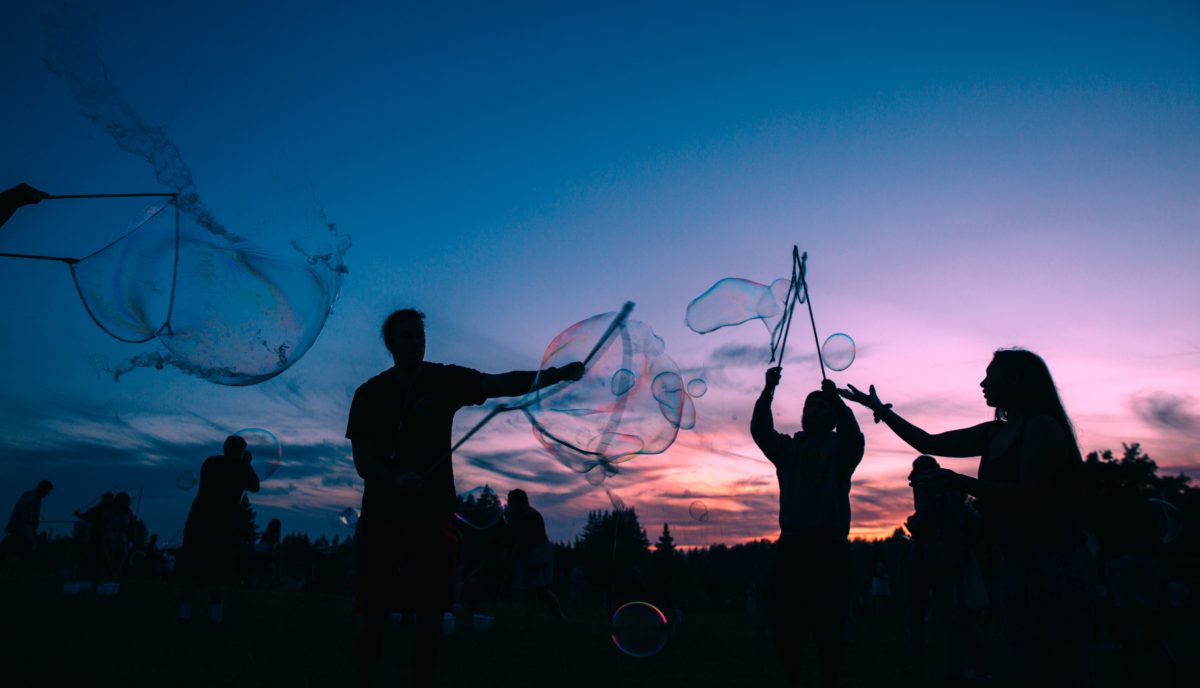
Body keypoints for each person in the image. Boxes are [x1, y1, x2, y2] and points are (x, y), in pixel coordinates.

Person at [346, 308, 582, 688]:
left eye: (419, 335)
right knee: (374, 616)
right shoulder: (369, 394)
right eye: (405, 336)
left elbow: (500, 383)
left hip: (434, 518)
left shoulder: (443, 380)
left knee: (430, 618)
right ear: (389, 343)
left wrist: (554, 376)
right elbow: (364, 463)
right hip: (383, 517)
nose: (415, 342)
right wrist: (395, 479)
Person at [841, 348, 1094, 687]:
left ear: (1015, 380)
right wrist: (879, 410)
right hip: (1016, 559)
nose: (983, 383)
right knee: (1028, 660)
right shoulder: (993, 433)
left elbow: (1031, 494)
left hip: (1054, 560)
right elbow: (927, 442)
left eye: (991, 375)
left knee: (1060, 662)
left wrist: (959, 482)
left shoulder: (1042, 428)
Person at [751, 368, 864, 688]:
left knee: (831, 631)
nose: (814, 410)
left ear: (832, 416)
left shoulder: (842, 451)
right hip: (794, 546)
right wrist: (768, 390)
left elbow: (854, 438)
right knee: (787, 629)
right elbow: (761, 430)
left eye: (821, 405)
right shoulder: (789, 450)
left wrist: (837, 400)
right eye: (810, 405)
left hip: (830, 548)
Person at [178, 435, 260, 625]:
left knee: (192, 568)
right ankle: (216, 619)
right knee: (218, 570)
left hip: (199, 518)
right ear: (241, 451)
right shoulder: (240, 467)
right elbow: (255, 486)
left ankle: (185, 615)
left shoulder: (210, 462)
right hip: (223, 522)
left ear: (225, 448)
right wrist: (246, 463)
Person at [504, 488, 565, 626]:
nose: (509, 504)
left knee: (541, 590)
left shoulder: (532, 516)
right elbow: (511, 537)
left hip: (539, 554)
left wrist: (513, 553)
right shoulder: (515, 516)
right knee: (528, 591)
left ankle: (559, 616)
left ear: (520, 502)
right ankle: (528, 623)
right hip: (527, 553)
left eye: (511, 501)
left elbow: (531, 541)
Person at [2, 479, 53, 575]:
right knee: (18, 549)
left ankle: (11, 571)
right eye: (47, 491)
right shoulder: (31, 495)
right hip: (20, 528)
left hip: (25, 528)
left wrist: (33, 522)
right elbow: (20, 507)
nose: (47, 494)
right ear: (42, 488)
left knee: (19, 549)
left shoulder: (36, 498)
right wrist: (28, 519)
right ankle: (10, 571)